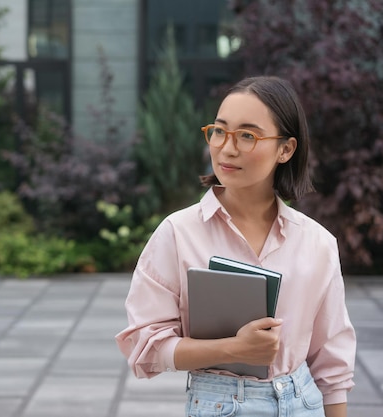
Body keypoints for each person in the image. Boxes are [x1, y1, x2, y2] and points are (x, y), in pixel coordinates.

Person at [115, 75, 356, 417]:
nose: (227, 148)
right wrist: (234, 349)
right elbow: (146, 347)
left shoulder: (317, 242)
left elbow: (332, 366)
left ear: (286, 149)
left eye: (247, 135)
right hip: (220, 404)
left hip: (303, 402)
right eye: (219, 130)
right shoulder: (178, 233)